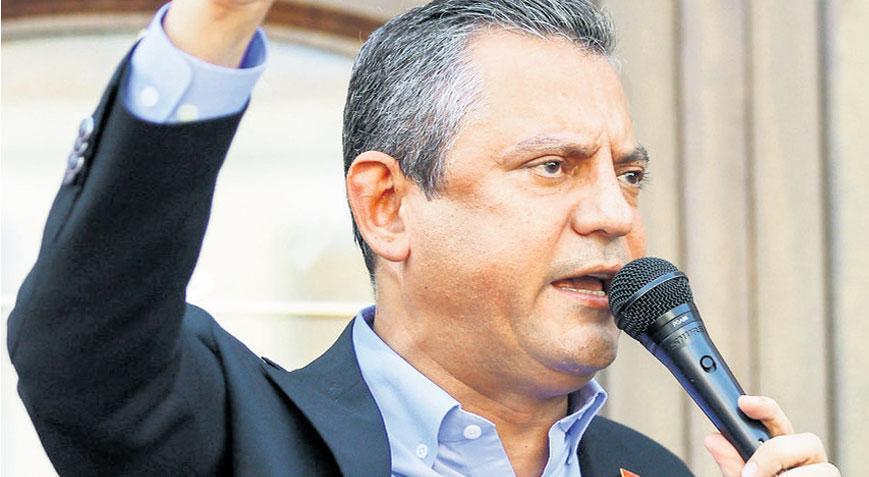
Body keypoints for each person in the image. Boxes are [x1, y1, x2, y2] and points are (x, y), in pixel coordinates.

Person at [7, 0, 839, 476]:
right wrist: (211, 27)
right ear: (387, 206)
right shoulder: (236, 437)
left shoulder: (654, 470)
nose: (613, 214)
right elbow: (84, 344)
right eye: (552, 166)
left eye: (628, 174)